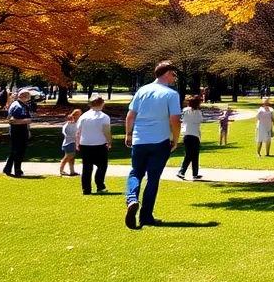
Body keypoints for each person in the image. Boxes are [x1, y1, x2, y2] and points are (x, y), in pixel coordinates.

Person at [124, 62, 182, 229]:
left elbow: (131, 115)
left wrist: (129, 134)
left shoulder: (142, 90)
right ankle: (146, 216)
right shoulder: (171, 94)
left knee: (135, 173)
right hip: (160, 140)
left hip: (139, 139)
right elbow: (174, 120)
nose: (174, 78)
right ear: (166, 73)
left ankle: (132, 199)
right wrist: (175, 139)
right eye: (173, 74)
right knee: (153, 178)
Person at [76, 94, 112, 195]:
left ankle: (86, 189)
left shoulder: (83, 116)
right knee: (102, 166)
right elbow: (106, 131)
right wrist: (109, 141)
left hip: (85, 144)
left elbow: (78, 131)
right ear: (102, 104)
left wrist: (77, 142)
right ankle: (100, 185)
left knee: (87, 167)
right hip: (99, 144)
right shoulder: (104, 117)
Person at [2, 90, 33, 177]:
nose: (29, 98)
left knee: (17, 151)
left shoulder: (23, 106)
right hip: (17, 131)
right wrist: (25, 121)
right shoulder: (17, 106)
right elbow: (11, 120)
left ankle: (9, 168)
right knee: (17, 151)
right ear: (22, 96)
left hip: (23, 130)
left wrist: (28, 130)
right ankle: (17, 169)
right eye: (28, 95)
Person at [177, 95, 205, 181]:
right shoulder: (198, 112)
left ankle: (187, 172)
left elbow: (182, 120)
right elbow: (200, 120)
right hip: (195, 135)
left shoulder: (185, 111)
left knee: (188, 154)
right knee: (194, 155)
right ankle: (188, 172)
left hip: (187, 135)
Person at [59, 109, 81, 176]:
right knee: (69, 156)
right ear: (74, 115)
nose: (79, 116)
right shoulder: (68, 124)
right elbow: (67, 133)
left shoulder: (78, 123)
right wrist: (76, 136)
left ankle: (72, 171)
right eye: (78, 115)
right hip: (69, 142)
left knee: (72, 158)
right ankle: (61, 170)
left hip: (75, 142)